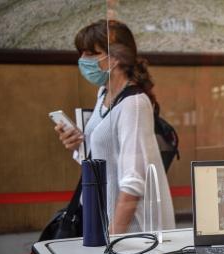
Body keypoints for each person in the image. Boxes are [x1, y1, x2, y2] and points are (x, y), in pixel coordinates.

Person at [54, 20, 175, 234]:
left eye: (91, 53)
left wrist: (112, 237)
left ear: (115, 58)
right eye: (81, 53)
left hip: (125, 230)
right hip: (97, 213)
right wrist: (77, 144)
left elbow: (133, 182)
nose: (83, 60)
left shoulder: (134, 104)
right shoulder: (104, 94)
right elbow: (102, 159)